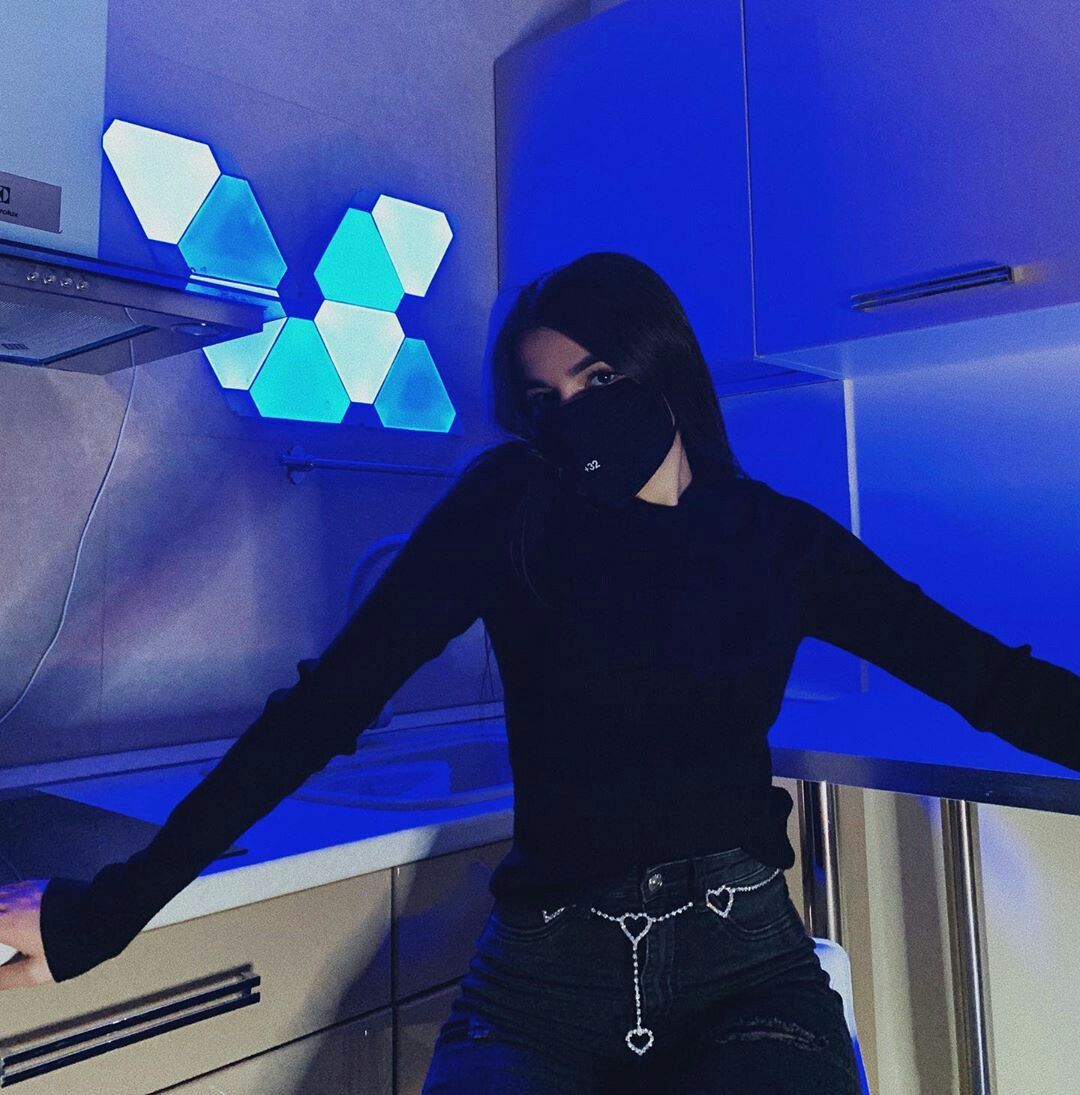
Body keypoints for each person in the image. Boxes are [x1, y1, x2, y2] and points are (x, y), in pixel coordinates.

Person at [3, 253, 1080, 1094]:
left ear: (664, 369)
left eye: (600, 378)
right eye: (544, 400)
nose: (573, 415)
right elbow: (324, 710)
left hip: (745, 970)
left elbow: (988, 682)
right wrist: (102, 914)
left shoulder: (778, 542)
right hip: (540, 983)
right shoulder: (509, 510)